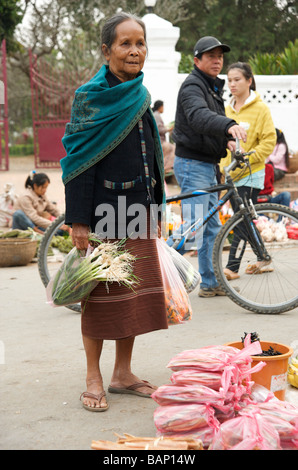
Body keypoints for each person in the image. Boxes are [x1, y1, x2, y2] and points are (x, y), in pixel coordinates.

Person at [60, 12, 168, 412]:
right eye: (125, 43)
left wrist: (156, 209)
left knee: (133, 296)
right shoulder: (90, 97)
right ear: (106, 50)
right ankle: (94, 375)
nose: (134, 50)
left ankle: (123, 373)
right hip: (103, 212)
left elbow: (149, 156)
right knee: (101, 297)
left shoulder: (140, 93)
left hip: (139, 208)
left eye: (139, 42)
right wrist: (79, 220)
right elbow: (80, 161)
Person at [169, 36, 247, 298]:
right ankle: (153, 272)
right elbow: (199, 117)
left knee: (211, 226)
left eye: (220, 56)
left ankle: (212, 283)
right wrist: (228, 125)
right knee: (194, 227)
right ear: (196, 60)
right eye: (211, 56)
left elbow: (208, 123)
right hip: (193, 164)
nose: (217, 60)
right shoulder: (193, 86)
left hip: (206, 164)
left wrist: (227, 140)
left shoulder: (211, 88)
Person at [220, 62, 276, 279]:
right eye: (229, 80)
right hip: (230, 174)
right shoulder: (226, 109)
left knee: (240, 217)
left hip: (251, 174)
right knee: (241, 218)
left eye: (237, 80)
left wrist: (249, 159)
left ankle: (232, 267)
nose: (232, 84)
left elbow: (268, 140)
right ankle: (263, 257)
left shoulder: (261, 109)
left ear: (249, 80)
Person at [152, 100, 175, 173]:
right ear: (160, 107)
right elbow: (158, 129)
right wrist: (168, 129)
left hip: (159, 141)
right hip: (160, 141)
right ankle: (165, 168)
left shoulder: (155, 115)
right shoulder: (157, 115)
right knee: (173, 148)